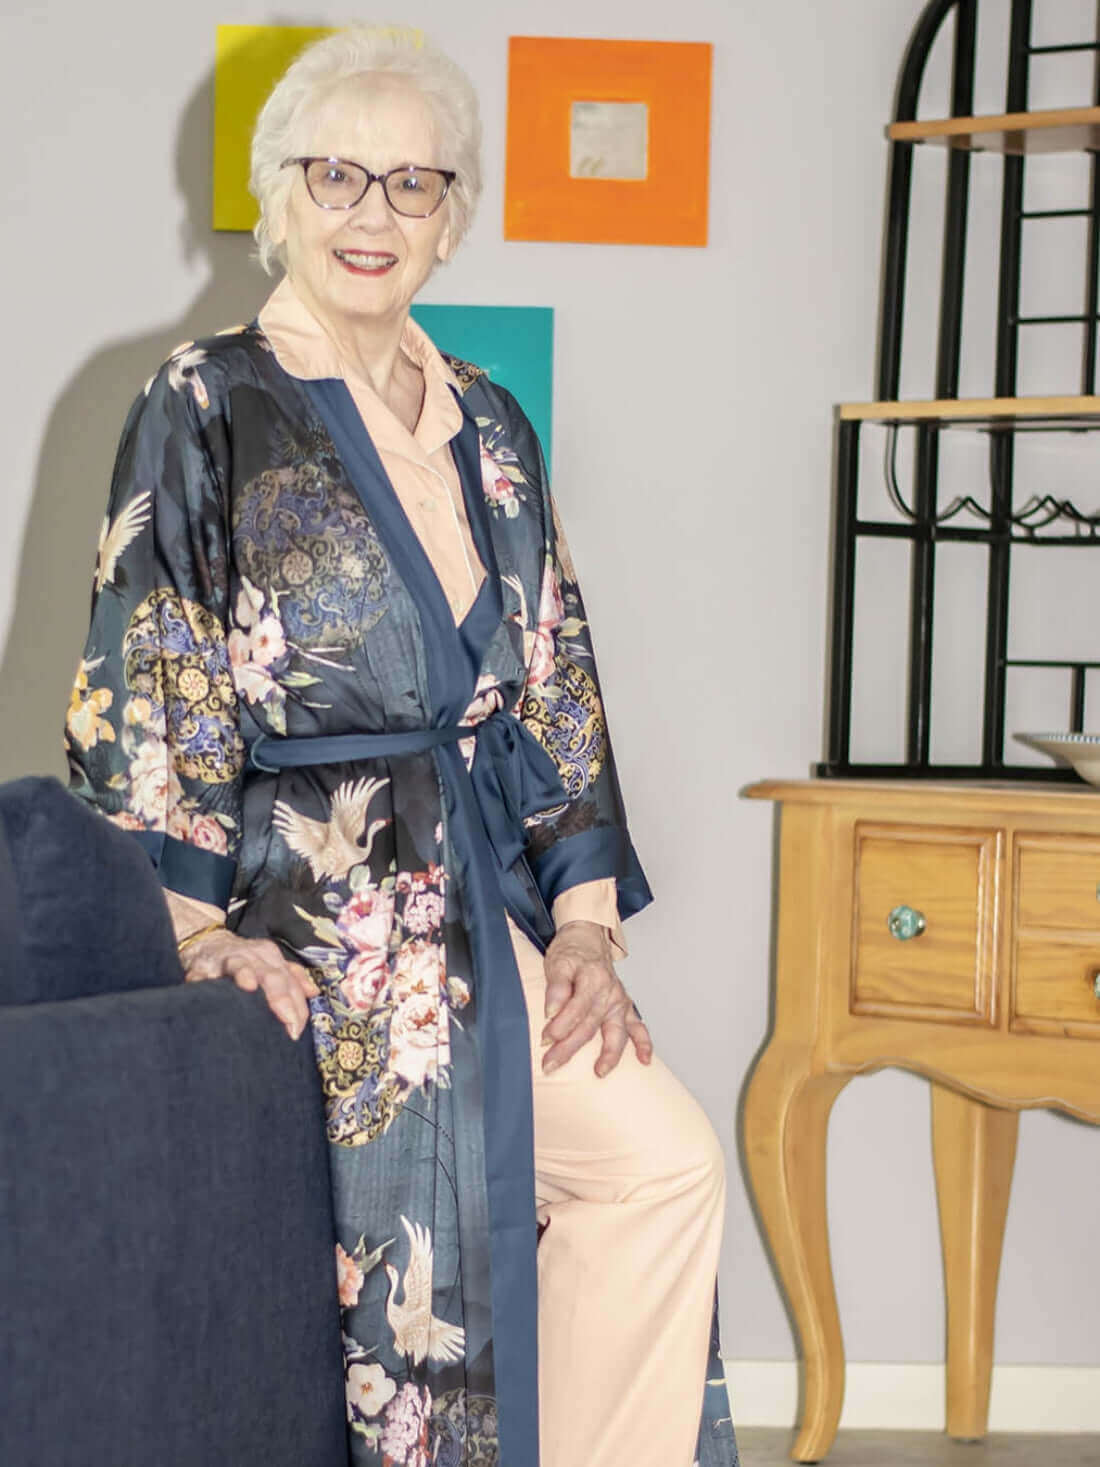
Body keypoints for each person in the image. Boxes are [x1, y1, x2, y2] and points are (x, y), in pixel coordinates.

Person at [65, 25, 738, 1467]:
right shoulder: (206, 400)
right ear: (281, 196)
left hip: (491, 911)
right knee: (427, 1289)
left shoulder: (490, 421)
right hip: (324, 913)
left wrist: (585, 925)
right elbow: (154, 668)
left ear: (450, 215)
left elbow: (555, 673)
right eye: (338, 175)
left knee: (665, 1168)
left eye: (411, 183)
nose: (373, 213)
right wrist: (195, 935)